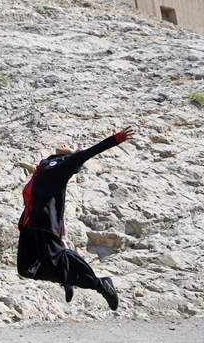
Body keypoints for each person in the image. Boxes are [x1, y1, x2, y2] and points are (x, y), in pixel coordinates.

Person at [17, 127, 134, 310]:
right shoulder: (47, 163)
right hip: (27, 223)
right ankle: (66, 279)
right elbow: (39, 174)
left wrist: (115, 139)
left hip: (45, 223)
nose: (66, 143)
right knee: (26, 269)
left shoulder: (66, 164)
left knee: (60, 257)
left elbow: (90, 152)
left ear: (73, 153)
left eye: (71, 145)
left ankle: (101, 284)